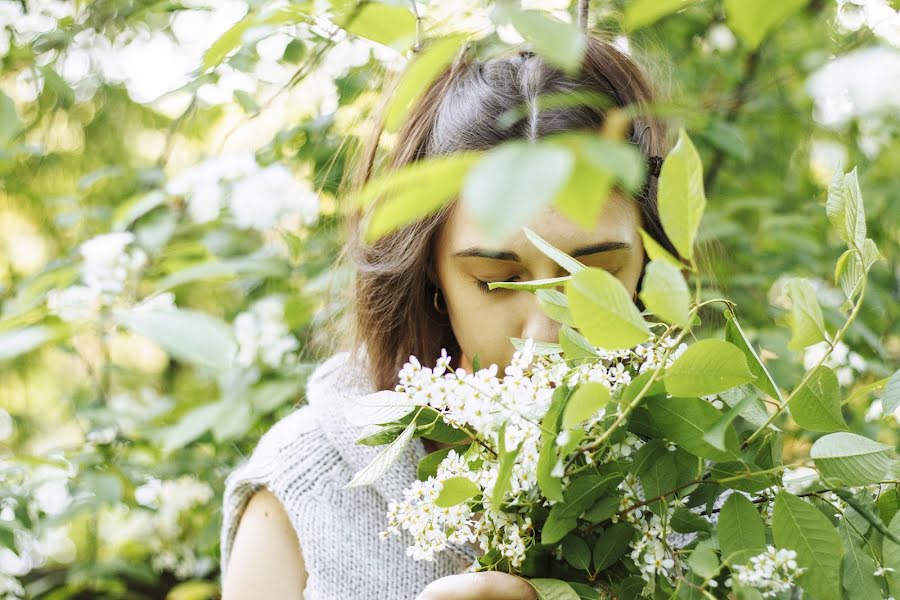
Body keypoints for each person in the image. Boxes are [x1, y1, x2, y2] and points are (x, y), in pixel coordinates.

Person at [219, 31, 677, 599]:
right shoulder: (307, 484)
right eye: (495, 281)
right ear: (431, 274)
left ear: (651, 266)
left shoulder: (694, 478)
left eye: (593, 278)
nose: (544, 333)